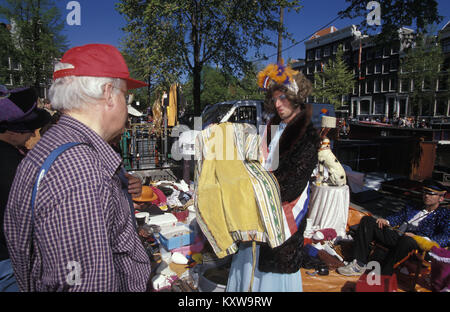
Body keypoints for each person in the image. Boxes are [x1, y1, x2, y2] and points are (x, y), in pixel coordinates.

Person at [4, 44, 151, 292]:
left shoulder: (54, 146)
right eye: (125, 96)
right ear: (108, 94)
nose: (126, 106)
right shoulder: (81, 171)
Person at [225, 63, 321, 291]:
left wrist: (250, 189)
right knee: (248, 272)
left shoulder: (307, 136)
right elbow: (252, 163)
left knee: (269, 281)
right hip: (255, 216)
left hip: (280, 225)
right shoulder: (271, 128)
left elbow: (291, 186)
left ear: (296, 97)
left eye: (283, 98)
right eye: (274, 99)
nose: (278, 105)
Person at [338, 179, 449, 277]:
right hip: (397, 236)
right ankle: (359, 264)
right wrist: (387, 221)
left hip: (415, 244)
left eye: (431, 194)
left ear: (441, 198)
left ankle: (384, 274)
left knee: (408, 240)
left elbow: (446, 236)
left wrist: (419, 238)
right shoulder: (414, 206)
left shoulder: (444, 214)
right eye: (425, 192)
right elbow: (399, 216)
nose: (426, 196)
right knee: (368, 221)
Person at [0, 86, 52, 292]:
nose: (32, 133)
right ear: (11, 130)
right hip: (8, 263)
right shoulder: (13, 165)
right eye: (28, 127)